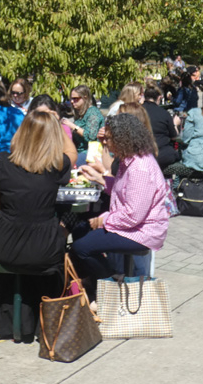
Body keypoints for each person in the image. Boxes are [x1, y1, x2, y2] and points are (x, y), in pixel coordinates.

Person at [0, 111, 71, 340]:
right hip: (44, 249)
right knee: (65, 231)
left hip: (5, 245)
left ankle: (1, 324)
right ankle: (45, 324)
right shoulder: (56, 166)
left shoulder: (2, 162)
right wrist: (58, 125)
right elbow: (71, 153)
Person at [73, 114, 170, 287]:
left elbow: (133, 215)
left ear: (122, 139)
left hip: (141, 232)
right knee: (80, 231)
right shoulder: (129, 160)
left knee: (81, 247)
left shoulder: (140, 167)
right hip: (133, 225)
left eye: (109, 139)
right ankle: (102, 281)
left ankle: (111, 284)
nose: (107, 143)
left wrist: (103, 220)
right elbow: (122, 190)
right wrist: (100, 178)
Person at [28, 94, 78, 164]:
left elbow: (69, 155)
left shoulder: (64, 129)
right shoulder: (27, 130)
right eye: (39, 115)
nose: (43, 118)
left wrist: (57, 123)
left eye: (46, 114)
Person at [62, 84, 104, 166]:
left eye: (75, 99)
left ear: (85, 97)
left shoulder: (93, 112)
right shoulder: (81, 113)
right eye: (71, 99)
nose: (71, 101)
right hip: (79, 151)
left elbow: (91, 136)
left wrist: (72, 126)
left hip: (90, 153)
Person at [141, 85, 180, 169]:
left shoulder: (138, 111)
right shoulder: (164, 113)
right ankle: (174, 182)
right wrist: (175, 124)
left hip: (141, 153)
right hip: (160, 154)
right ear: (159, 98)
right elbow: (173, 137)